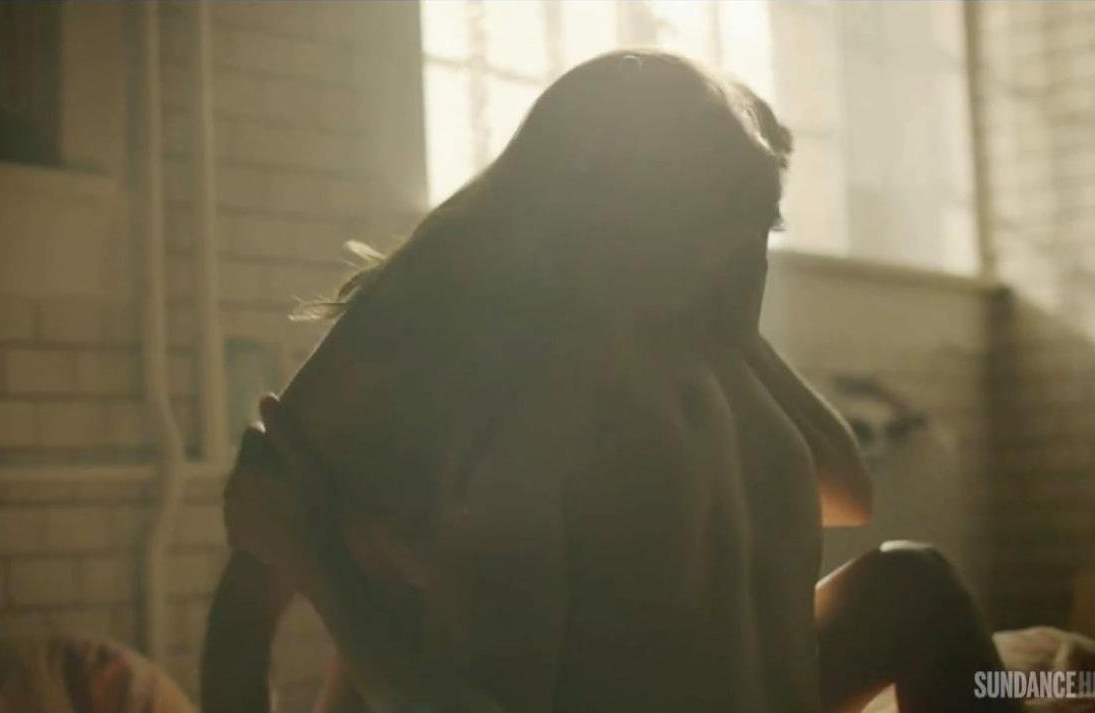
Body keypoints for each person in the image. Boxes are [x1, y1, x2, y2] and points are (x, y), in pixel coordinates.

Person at [202, 50, 1017, 713]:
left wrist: (736, 328)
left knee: (913, 580)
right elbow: (250, 593)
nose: (752, 263)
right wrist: (320, 562)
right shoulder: (452, 342)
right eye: (731, 226)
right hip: (474, 626)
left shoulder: (692, 333)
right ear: (631, 216)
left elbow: (848, 492)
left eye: (762, 228)